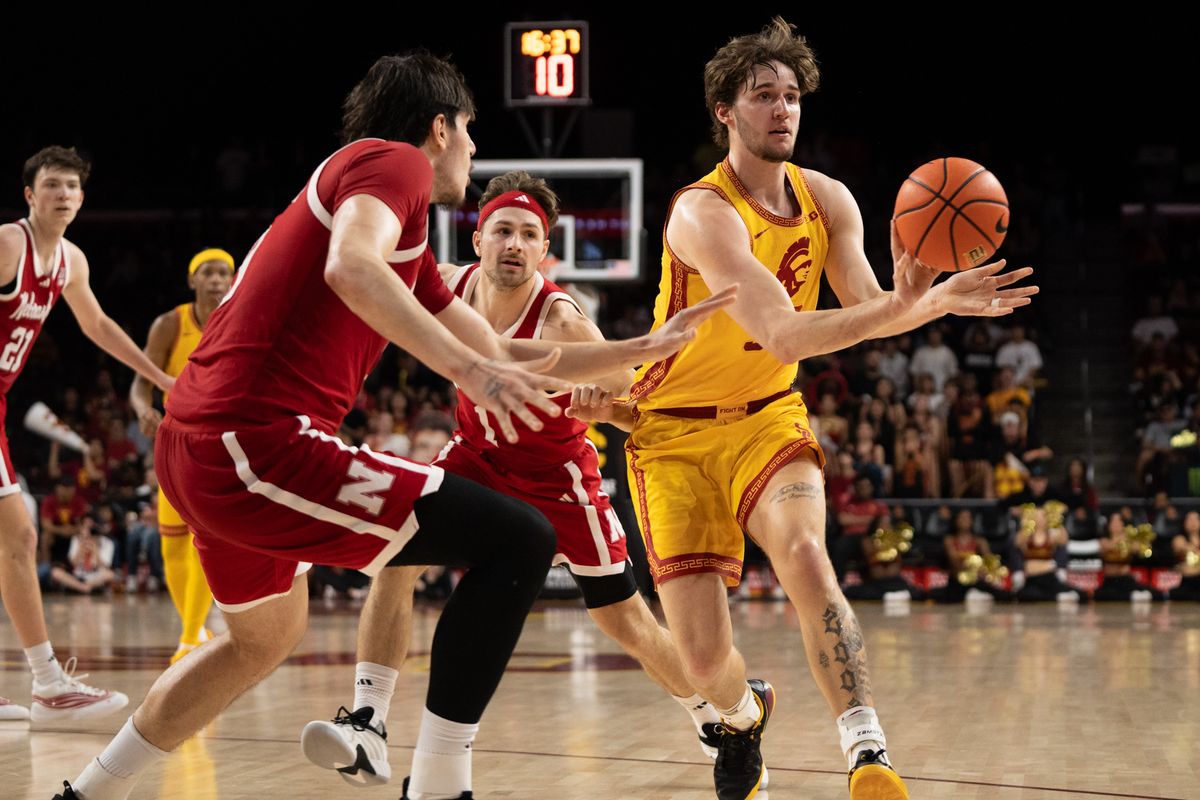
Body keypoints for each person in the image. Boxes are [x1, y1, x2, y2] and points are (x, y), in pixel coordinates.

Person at [53, 52, 728, 800]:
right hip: (256, 440)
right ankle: (436, 782)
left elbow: (497, 345)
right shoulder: (394, 163)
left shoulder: (408, 240)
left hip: (201, 448)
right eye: (471, 132)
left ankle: (87, 792)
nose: (473, 152)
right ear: (439, 128)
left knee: (263, 640)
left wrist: (642, 348)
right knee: (519, 540)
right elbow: (351, 267)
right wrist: (474, 377)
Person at [569, 18, 1035, 800]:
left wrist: (924, 300)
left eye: (791, 96)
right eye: (763, 96)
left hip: (767, 418)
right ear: (725, 109)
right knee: (705, 663)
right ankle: (744, 715)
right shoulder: (701, 213)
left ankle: (867, 748)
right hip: (669, 436)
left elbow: (863, 305)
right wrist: (912, 310)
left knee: (806, 556)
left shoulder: (830, 199)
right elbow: (787, 327)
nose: (782, 110)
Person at [300, 171, 723, 788]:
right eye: (503, 230)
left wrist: (602, 405)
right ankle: (367, 723)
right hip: (474, 456)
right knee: (396, 555)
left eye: (529, 235)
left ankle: (715, 719)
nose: (515, 244)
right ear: (477, 240)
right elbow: (364, 274)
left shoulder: (564, 322)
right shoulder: (447, 284)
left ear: (544, 249)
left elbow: (634, 405)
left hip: (556, 477)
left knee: (623, 620)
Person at [0, 146, 174, 723]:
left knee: (18, 543)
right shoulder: (7, 244)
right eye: (52, 185)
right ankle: (49, 685)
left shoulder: (70, 260)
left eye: (73, 186)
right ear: (30, 195)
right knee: (19, 540)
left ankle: (49, 686)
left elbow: (98, 325)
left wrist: (159, 377)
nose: (65, 194)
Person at [129, 248, 235, 663]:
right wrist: (142, 409)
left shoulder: (240, 317)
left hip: (218, 440)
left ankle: (190, 639)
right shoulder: (169, 324)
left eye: (222, 272)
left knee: (204, 540)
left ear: (232, 279)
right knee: (172, 544)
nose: (215, 278)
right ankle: (196, 629)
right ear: (192, 280)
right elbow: (140, 384)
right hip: (173, 440)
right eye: (206, 272)